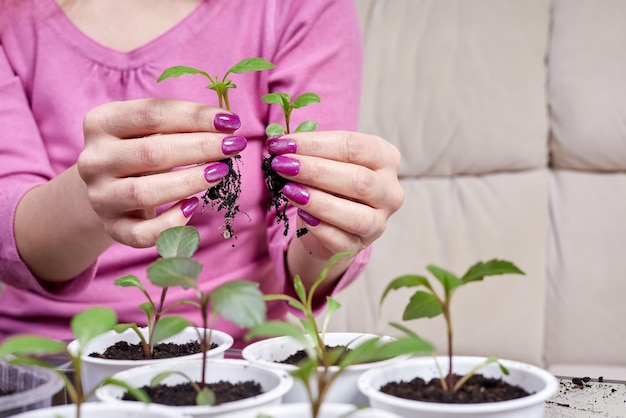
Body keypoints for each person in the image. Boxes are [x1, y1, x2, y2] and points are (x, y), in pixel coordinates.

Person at [0, 0, 403, 346]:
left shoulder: (294, 7)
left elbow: (300, 257)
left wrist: (330, 229)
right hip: (48, 351)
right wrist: (92, 199)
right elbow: (12, 230)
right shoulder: (13, 18)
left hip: (230, 352)